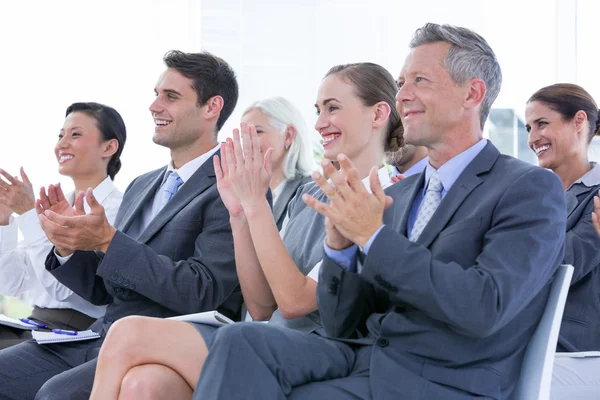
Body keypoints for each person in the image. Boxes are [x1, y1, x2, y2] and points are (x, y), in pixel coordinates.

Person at [193, 22, 567, 400]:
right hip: (365, 358)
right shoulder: (399, 194)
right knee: (240, 340)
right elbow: (342, 324)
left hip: (441, 380)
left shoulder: (528, 188)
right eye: (402, 82)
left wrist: (373, 237)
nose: (402, 95)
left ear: (472, 94)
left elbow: (484, 307)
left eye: (419, 80)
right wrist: (339, 249)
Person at [89, 62, 403, 400]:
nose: (319, 123)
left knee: (128, 333)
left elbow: (295, 301)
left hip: (313, 349)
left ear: (378, 114)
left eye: (333, 108)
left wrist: (256, 205)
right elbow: (262, 305)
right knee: (145, 384)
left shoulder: (386, 198)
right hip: (268, 334)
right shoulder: (311, 195)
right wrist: (239, 214)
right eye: (318, 110)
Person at [0, 50, 241, 400]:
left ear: (211, 107)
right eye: (156, 94)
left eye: (170, 97)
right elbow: (104, 290)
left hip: (159, 346)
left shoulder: (230, 184)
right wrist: (68, 247)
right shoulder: (143, 184)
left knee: (56, 395)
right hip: (98, 337)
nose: (154, 106)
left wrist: (108, 241)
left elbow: (202, 291)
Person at [0, 102, 126, 349]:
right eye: (60, 135)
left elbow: (63, 289)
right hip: (31, 326)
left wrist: (28, 213)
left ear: (109, 147)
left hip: (74, 335)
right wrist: (4, 221)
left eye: (75, 134)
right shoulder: (55, 204)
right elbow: (12, 283)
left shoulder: (119, 210)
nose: (61, 144)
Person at [525, 83, 600, 399]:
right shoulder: (530, 193)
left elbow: (561, 265)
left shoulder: (596, 195)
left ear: (578, 121)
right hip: (527, 342)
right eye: (529, 128)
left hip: (570, 350)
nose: (532, 138)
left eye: (542, 124)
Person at [241, 97, 319, 230]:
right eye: (243, 136)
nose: (247, 143)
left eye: (257, 132)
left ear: (288, 135)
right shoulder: (242, 191)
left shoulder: (311, 192)